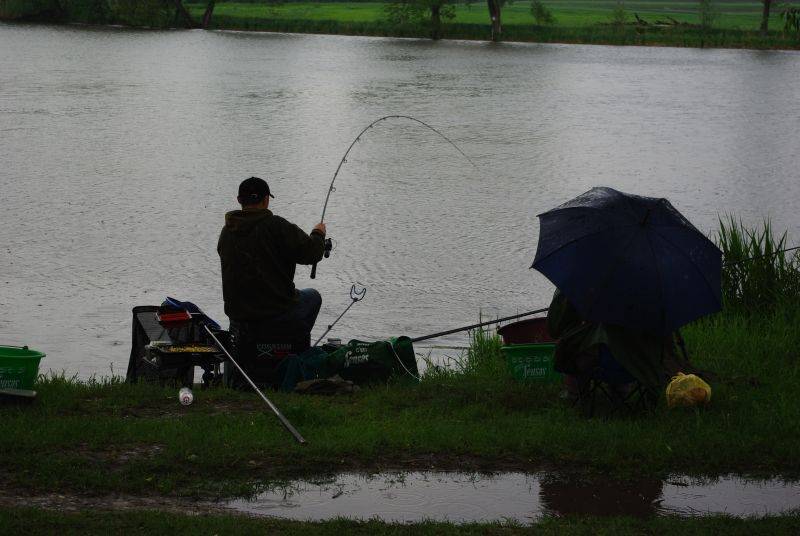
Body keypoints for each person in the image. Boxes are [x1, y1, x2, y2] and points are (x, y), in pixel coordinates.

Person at [217, 176, 327, 338]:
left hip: (239, 315)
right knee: (313, 296)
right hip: (275, 311)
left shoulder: (227, 231)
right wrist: (318, 233)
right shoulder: (276, 226)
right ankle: (295, 346)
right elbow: (312, 253)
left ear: (239, 200)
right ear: (266, 199)